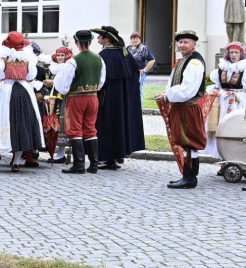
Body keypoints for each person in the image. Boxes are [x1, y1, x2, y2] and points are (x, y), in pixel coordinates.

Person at [0, 31, 43, 171]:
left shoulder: (2, 60)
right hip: (24, 91)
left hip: (6, 91)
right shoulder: (28, 58)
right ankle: (16, 162)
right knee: (21, 126)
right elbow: (31, 75)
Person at [156, 30, 207, 189]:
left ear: (194, 45)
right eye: (180, 42)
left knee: (189, 141)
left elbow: (187, 89)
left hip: (187, 108)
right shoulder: (185, 61)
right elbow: (175, 82)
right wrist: (167, 92)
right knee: (186, 142)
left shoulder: (194, 63)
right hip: (182, 107)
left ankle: (190, 178)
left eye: (186, 42)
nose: (182, 45)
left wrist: (167, 96)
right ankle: (188, 176)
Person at [51, 31, 106, 174]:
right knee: (90, 128)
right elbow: (101, 80)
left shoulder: (73, 61)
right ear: (91, 42)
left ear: (76, 42)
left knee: (75, 129)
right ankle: (94, 164)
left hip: (76, 98)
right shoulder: (99, 59)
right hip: (93, 97)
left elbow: (62, 85)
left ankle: (79, 164)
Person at [93, 25, 144, 170]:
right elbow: (135, 75)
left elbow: (99, 79)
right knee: (119, 123)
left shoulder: (102, 56)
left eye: (100, 36)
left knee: (107, 125)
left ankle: (109, 158)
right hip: (123, 99)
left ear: (107, 39)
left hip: (106, 99)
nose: (98, 38)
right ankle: (117, 155)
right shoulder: (125, 53)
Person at [202, 41, 245, 158]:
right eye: (231, 52)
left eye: (236, 52)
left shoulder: (243, 68)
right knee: (222, 129)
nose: (234, 55)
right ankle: (224, 158)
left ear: (241, 53)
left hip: (239, 102)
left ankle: (238, 158)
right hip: (223, 103)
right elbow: (218, 84)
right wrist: (216, 89)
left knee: (238, 128)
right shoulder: (222, 67)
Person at [43, 46, 74, 164]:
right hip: (54, 96)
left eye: (63, 55)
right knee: (54, 123)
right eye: (58, 55)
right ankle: (57, 152)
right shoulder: (54, 68)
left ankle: (61, 153)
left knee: (62, 123)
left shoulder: (68, 67)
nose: (60, 58)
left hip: (64, 97)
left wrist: (54, 82)